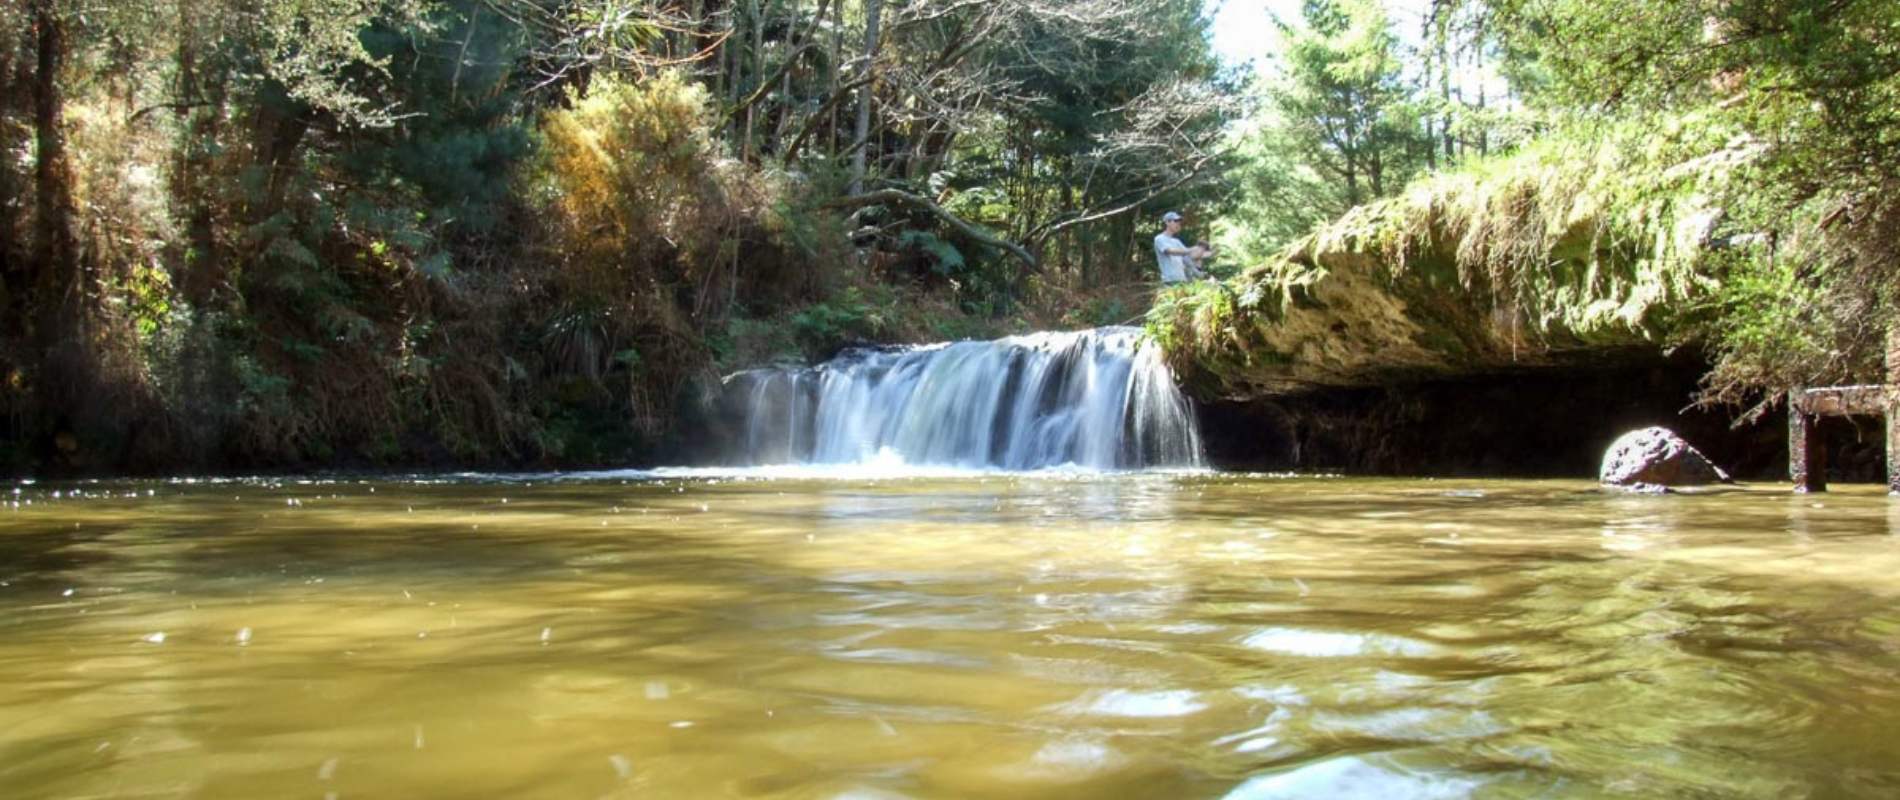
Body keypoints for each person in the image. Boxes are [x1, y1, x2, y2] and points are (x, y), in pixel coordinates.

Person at [1153, 211, 1214, 284]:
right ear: (1167, 222)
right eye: (1175, 221)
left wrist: (1203, 252)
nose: (1178, 224)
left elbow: (1188, 257)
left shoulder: (1177, 241)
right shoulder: (1159, 238)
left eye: (1179, 222)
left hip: (1182, 280)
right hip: (1170, 280)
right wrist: (1191, 249)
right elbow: (1170, 251)